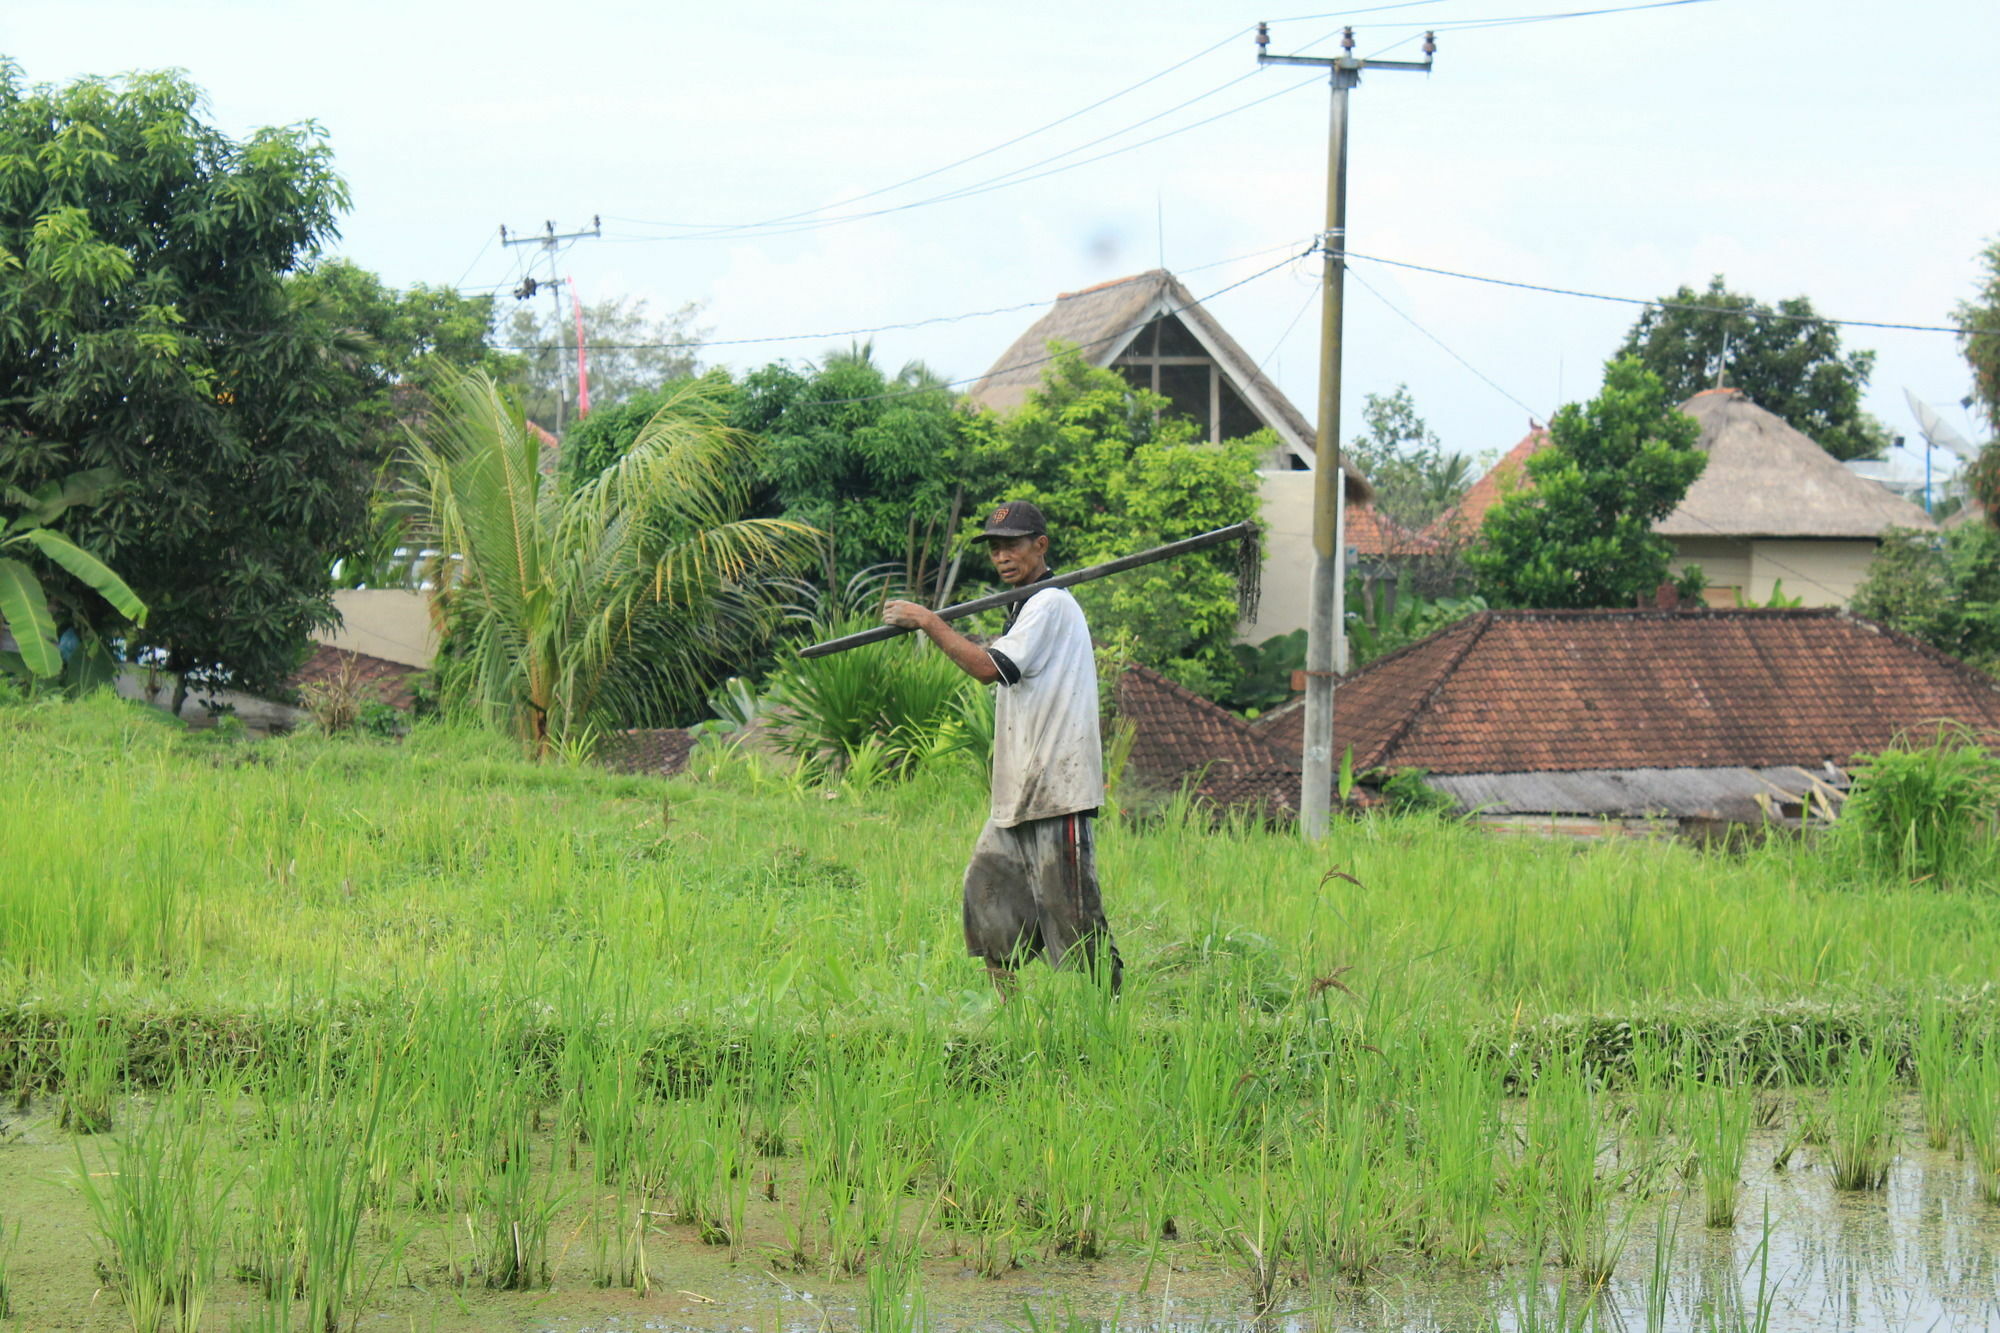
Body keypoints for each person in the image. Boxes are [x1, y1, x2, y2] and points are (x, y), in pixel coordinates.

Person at [881, 500, 1122, 998]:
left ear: (1041, 546)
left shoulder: (1051, 603)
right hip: (1020, 789)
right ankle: (1010, 1022)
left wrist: (929, 620)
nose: (1002, 556)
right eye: (995, 548)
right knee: (986, 894)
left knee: (1073, 912)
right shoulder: (1025, 605)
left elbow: (990, 667)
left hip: (1059, 786)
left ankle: (1113, 1011)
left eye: (1012, 545)